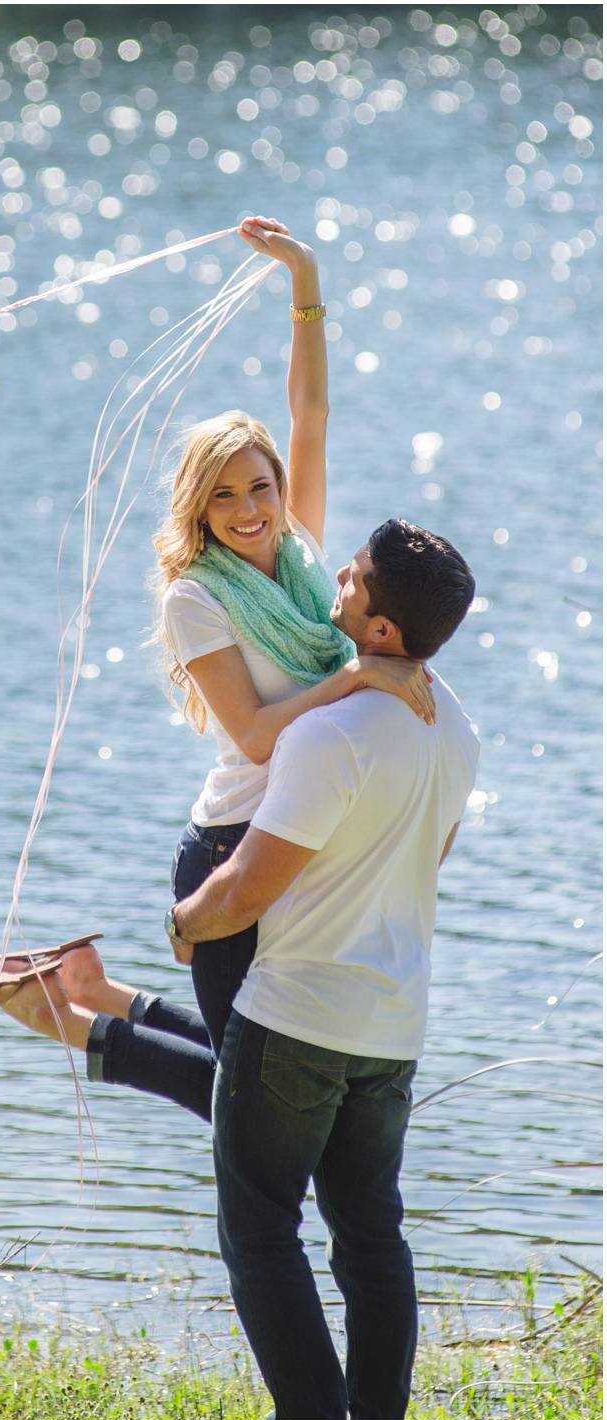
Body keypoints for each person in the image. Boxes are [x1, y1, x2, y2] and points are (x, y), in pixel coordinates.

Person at [0, 517, 478, 1420]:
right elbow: (426, 858)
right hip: (394, 1025)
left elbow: (242, 889)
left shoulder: (331, 736)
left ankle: (311, 1416)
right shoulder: (456, 727)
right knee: (371, 1240)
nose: (336, 587)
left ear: (384, 630)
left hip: (300, 1016)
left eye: (351, 580)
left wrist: (182, 922)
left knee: (263, 1231)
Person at [126, 214, 434, 1066]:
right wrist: (362, 676)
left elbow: (312, 409)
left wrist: (304, 275)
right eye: (223, 496)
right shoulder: (196, 598)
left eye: (259, 486)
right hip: (231, 842)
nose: (248, 510)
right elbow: (258, 736)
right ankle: (98, 1022)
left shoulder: (300, 551)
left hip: (299, 831)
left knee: (275, 1069)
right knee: (248, 1085)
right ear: (200, 509)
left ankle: (101, 1015)